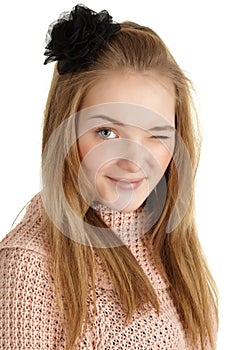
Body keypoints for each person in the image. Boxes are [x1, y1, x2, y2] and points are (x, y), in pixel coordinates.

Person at [0, 4, 218, 350]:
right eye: (106, 133)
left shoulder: (171, 249)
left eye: (157, 135)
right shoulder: (30, 265)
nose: (134, 161)